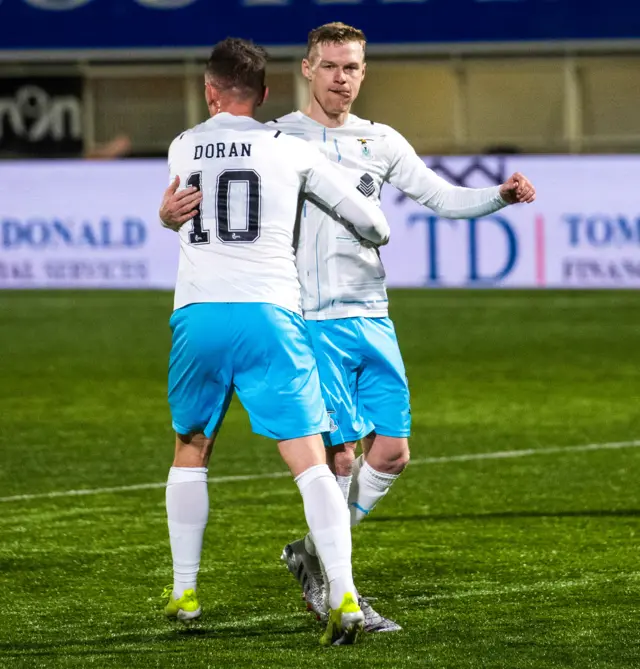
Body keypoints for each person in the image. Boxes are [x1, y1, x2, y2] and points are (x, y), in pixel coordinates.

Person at [160, 23, 537, 633]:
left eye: (353, 67)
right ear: (306, 70)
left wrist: (498, 195)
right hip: (308, 317)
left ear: (363, 73)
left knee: (392, 452)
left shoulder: (379, 140)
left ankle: (311, 556)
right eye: (331, 66)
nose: (342, 78)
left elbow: (440, 198)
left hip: (371, 314)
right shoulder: (280, 138)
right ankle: (343, 594)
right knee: (334, 459)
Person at [160, 36, 391, 647]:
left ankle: (185, 591)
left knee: (192, 447)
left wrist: (165, 218)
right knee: (311, 458)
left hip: (199, 314)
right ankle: (341, 592)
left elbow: (176, 208)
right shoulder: (288, 148)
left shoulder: (182, 145)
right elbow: (374, 224)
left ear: (210, 91)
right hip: (270, 312)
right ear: (265, 95)